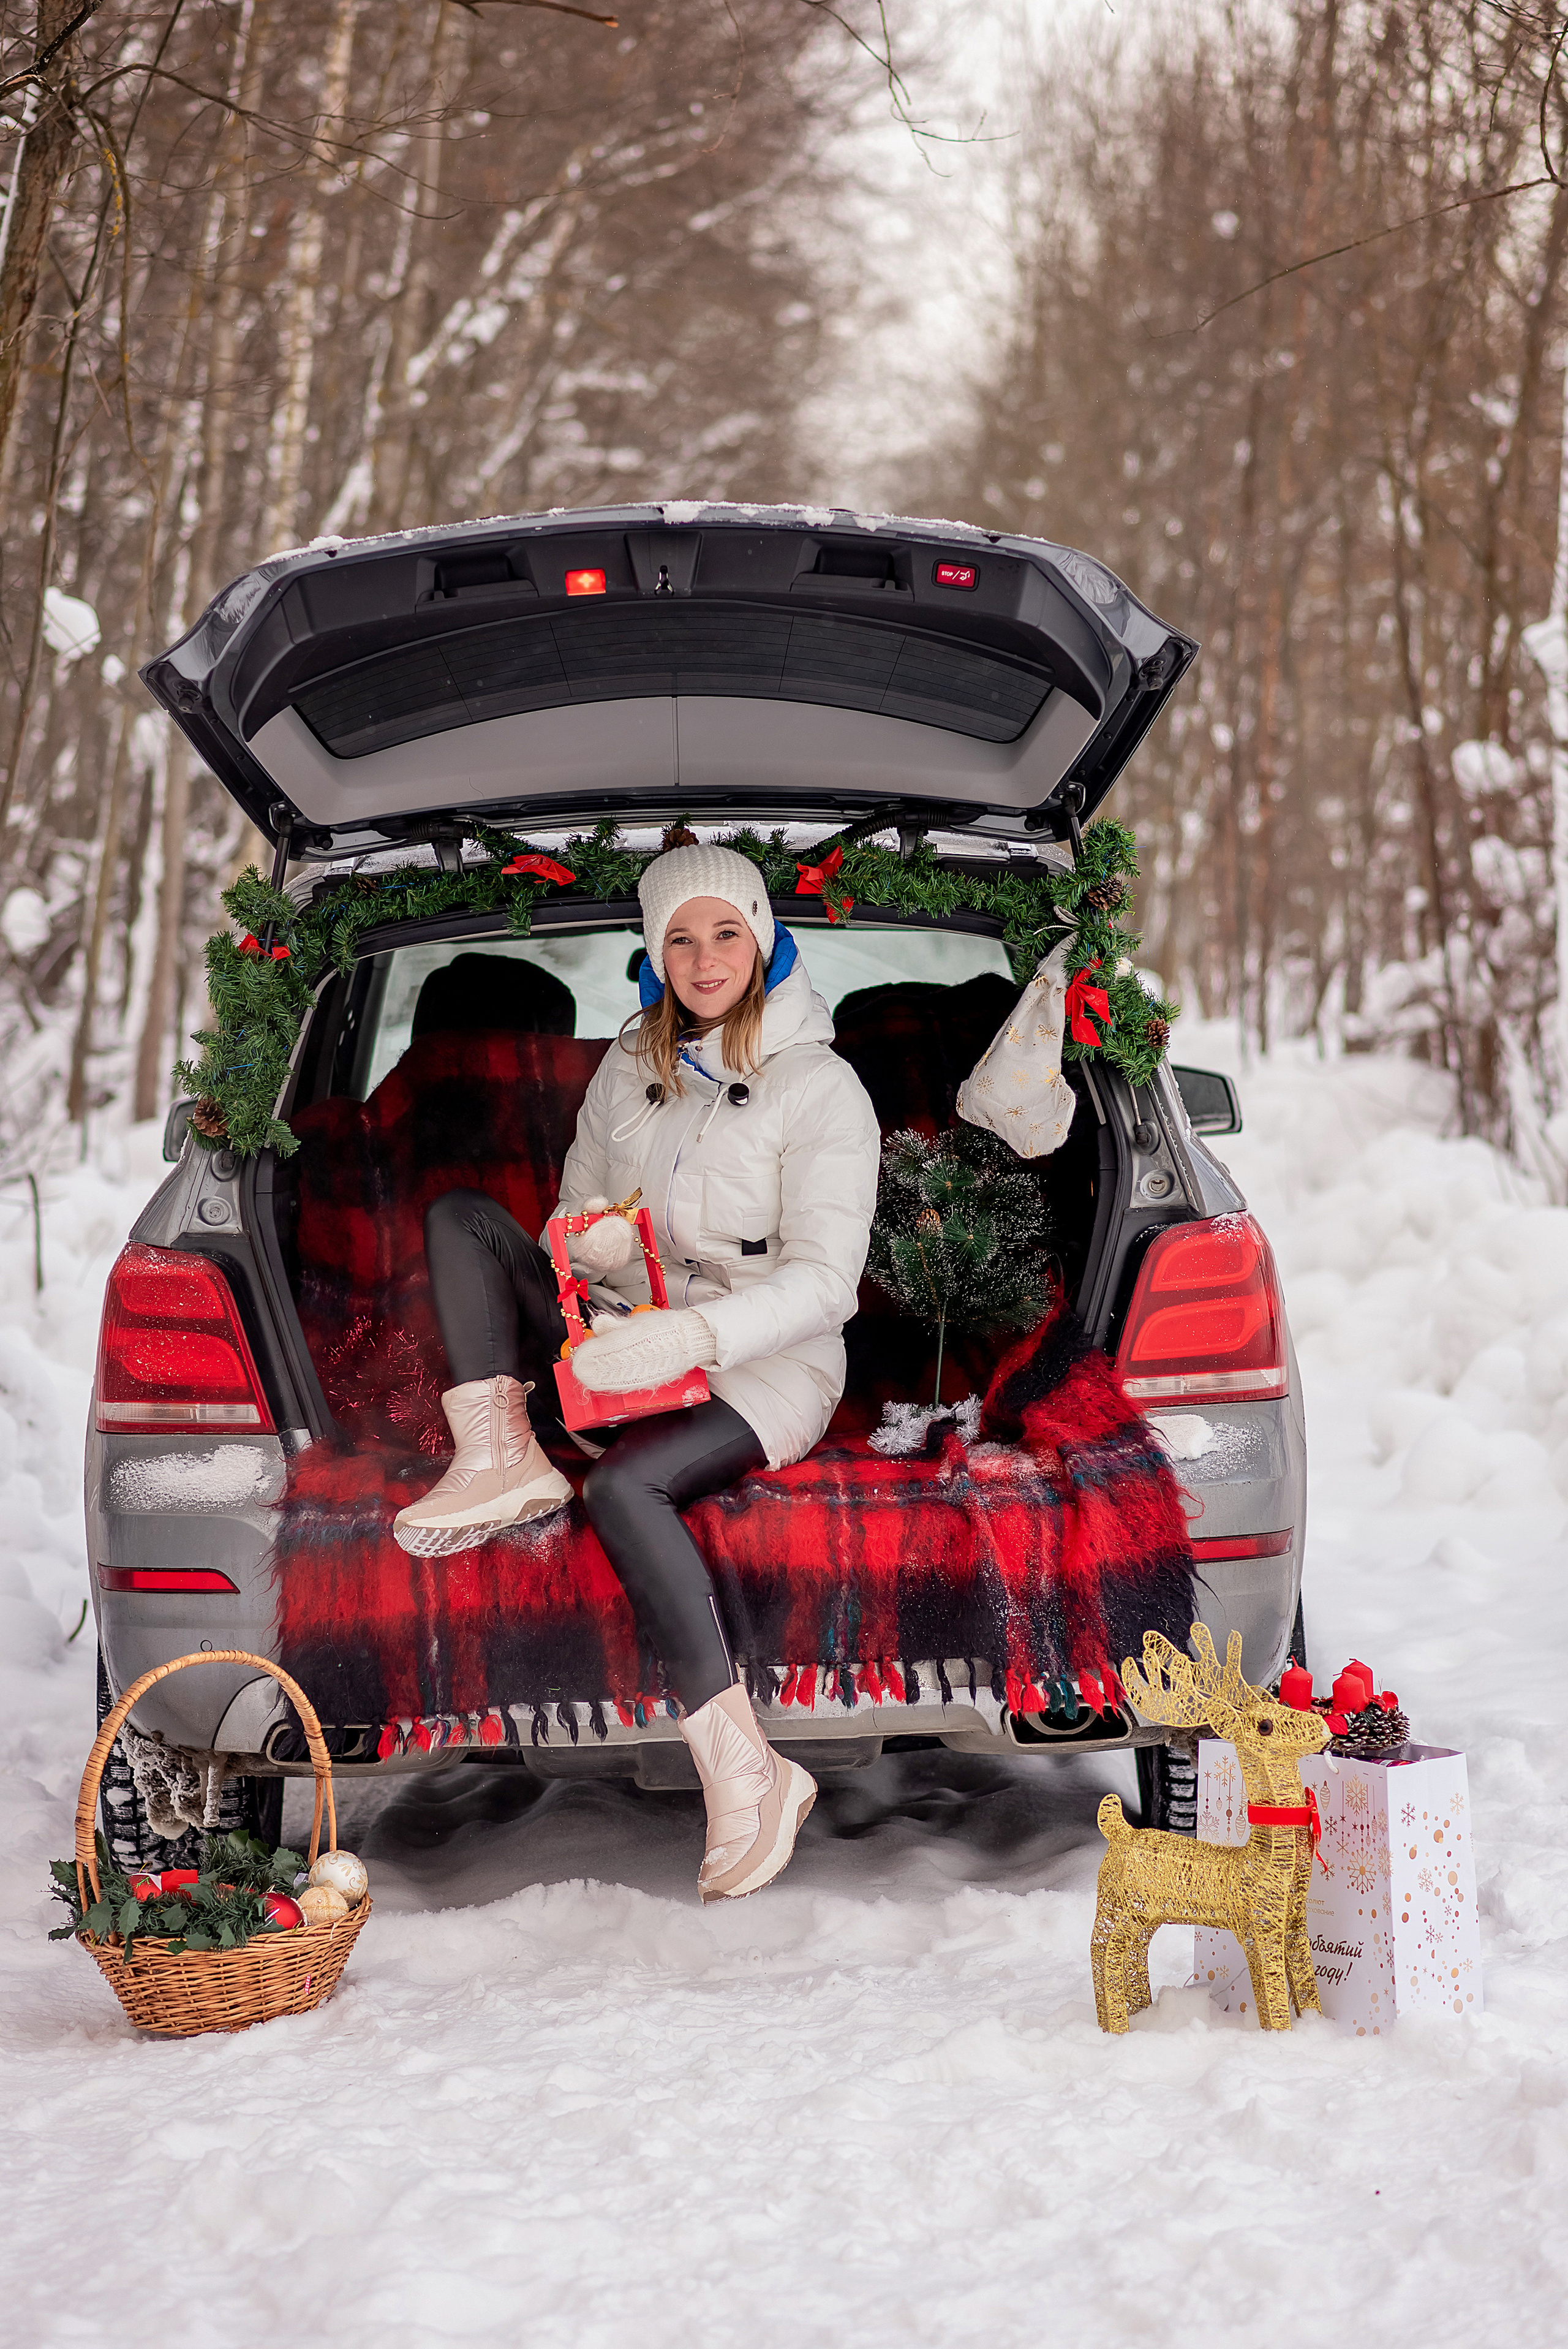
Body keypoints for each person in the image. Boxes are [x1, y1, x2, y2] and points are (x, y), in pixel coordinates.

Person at [391, 838, 882, 1902]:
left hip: (769, 1361)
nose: (706, 958)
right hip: (623, 1330)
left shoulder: (821, 1086)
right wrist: (592, 1244)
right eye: (680, 938)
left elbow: (828, 1283)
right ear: (655, 955)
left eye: (726, 932)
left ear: (763, 938)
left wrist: (697, 1338)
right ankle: (500, 1452)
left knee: (623, 1484)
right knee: (464, 1223)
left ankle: (748, 1768)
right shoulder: (629, 1066)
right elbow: (572, 1208)